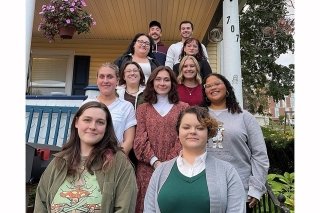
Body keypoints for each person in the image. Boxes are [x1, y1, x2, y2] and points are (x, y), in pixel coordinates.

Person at [34, 101, 137, 212]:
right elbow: (41, 204)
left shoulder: (118, 162)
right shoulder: (59, 161)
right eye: (87, 120)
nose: (93, 127)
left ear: (106, 127)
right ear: (77, 122)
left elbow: (125, 208)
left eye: (100, 122)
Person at [144, 106, 246, 213]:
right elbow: (149, 209)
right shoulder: (160, 172)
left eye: (200, 128)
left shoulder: (227, 172)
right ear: (178, 133)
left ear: (209, 133)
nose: (193, 131)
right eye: (186, 127)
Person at [202, 73, 270, 212]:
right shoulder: (199, 116)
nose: (212, 87)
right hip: (204, 190)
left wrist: (256, 188)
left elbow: (259, 155)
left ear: (227, 88)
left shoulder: (245, 117)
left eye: (217, 83)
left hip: (239, 191)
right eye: (208, 86)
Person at [133, 66, 189, 213]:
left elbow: (183, 139)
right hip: (147, 169)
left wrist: (167, 164)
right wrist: (155, 162)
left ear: (172, 83)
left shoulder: (183, 108)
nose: (162, 83)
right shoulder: (143, 109)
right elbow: (139, 139)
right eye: (158, 79)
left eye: (166, 79)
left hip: (176, 168)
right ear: (152, 83)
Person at [83, 63, 136, 156]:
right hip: (87, 156)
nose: (105, 80)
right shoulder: (87, 104)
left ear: (117, 81)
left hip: (114, 157)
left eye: (110, 77)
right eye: (101, 77)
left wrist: (116, 160)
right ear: (97, 80)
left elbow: (129, 141)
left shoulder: (126, 107)